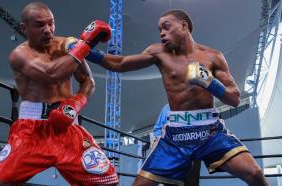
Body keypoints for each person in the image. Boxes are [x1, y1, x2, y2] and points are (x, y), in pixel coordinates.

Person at [86, 9, 268, 186]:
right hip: (175, 135)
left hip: (210, 132)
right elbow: (120, 64)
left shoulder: (213, 56)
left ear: (183, 25)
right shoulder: (158, 52)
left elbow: (234, 98)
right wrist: (86, 50)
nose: (162, 33)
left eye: (166, 27)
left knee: (255, 173)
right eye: (159, 30)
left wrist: (210, 82)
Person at [0, 2, 118, 186]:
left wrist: (75, 104)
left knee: (107, 182)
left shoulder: (66, 45)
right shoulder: (20, 55)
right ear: (24, 28)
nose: (47, 30)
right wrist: (85, 45)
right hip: (32, 130)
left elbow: (88, 82)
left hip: (68, 126)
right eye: (39, 25)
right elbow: (50, 74)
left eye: (51, 23)